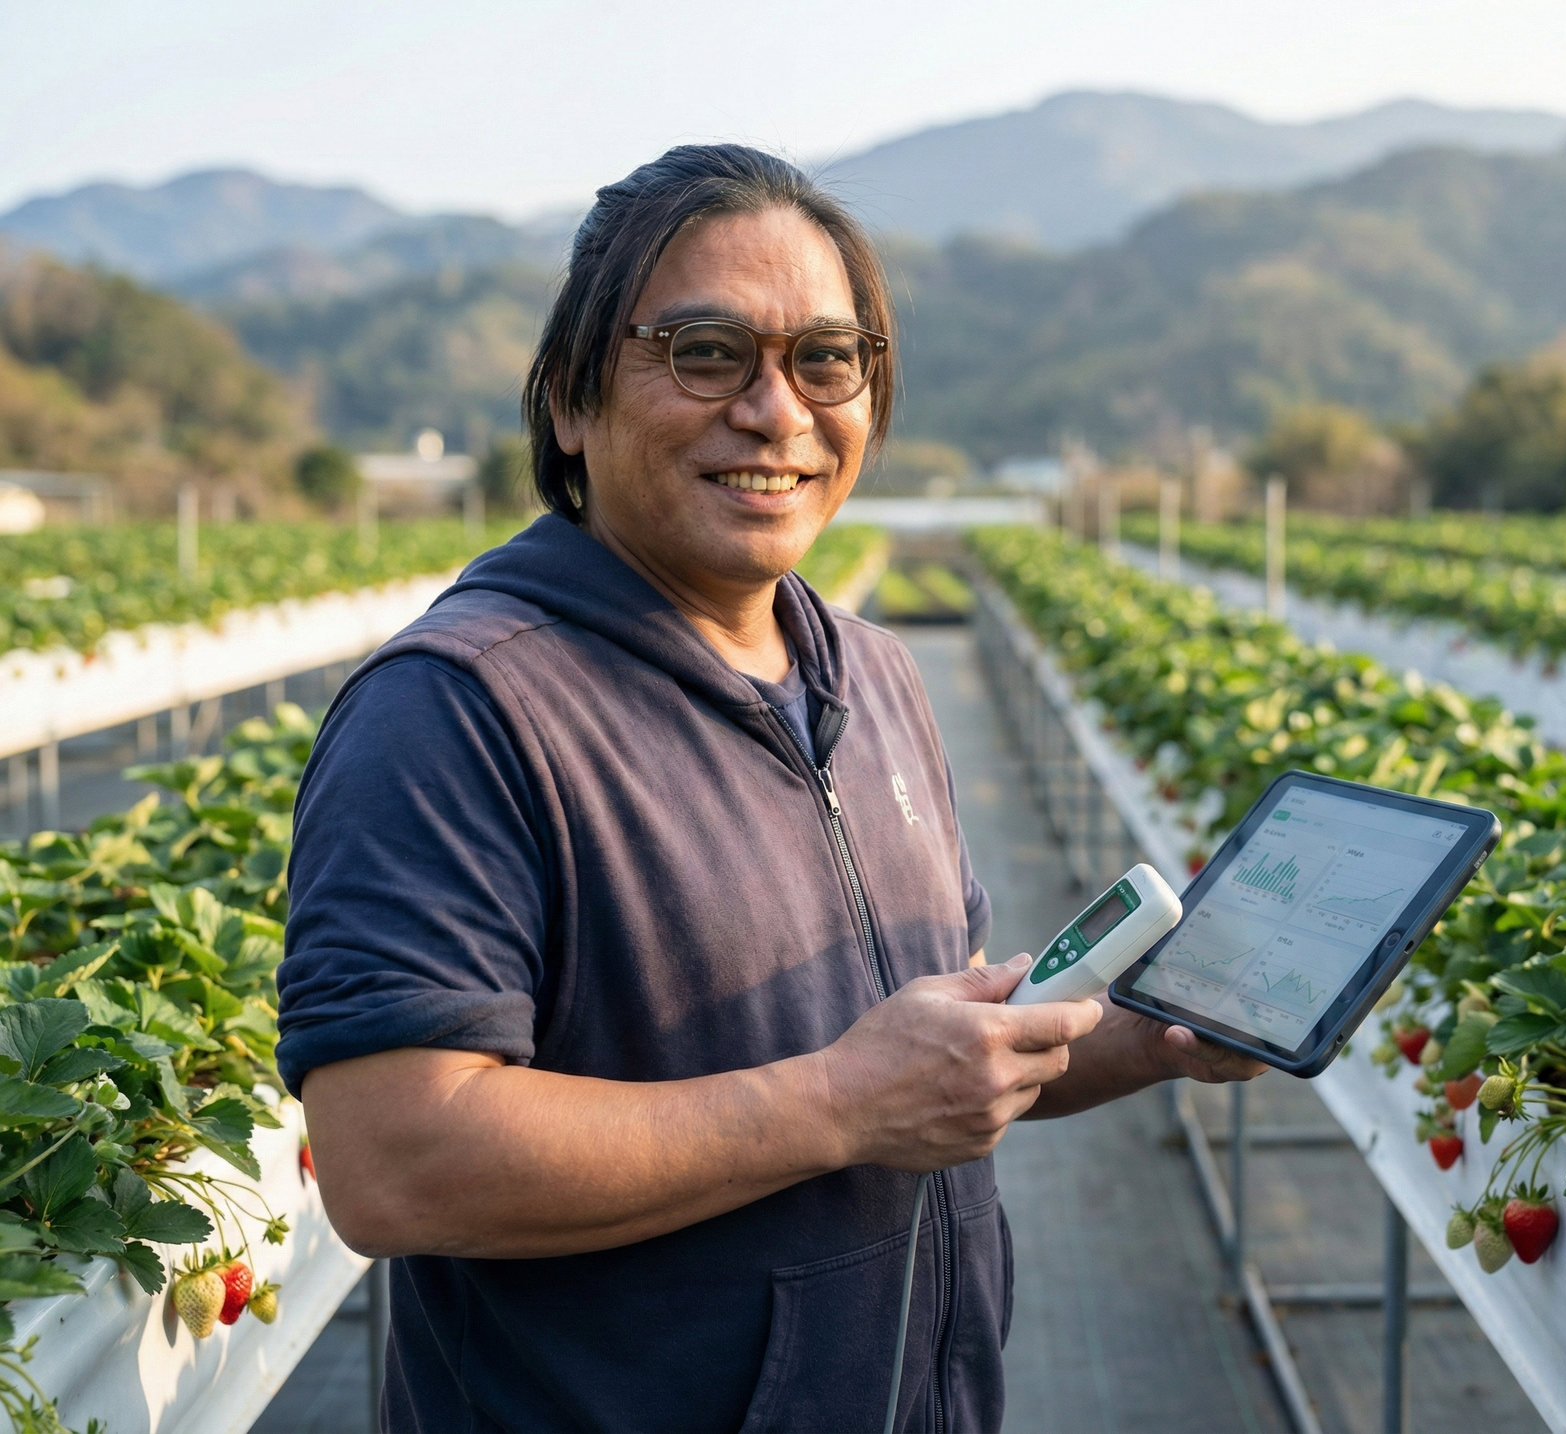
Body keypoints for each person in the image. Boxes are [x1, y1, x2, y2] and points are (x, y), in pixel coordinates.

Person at [277, 144, 1262, 1434]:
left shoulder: (875, 675)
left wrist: (1144, 1038)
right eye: (705, 353)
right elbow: (393, 1162)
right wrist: (842, 1103)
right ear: (570, 400)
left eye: (827, 359)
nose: (776, 411)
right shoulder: (458, 710)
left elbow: (933, 1045)